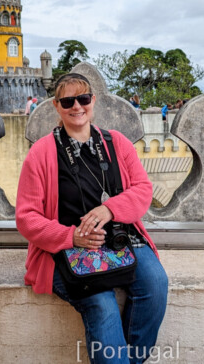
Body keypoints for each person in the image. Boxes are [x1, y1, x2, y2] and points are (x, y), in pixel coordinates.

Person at [16, 73, 167, 364]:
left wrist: (110, 209)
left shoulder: (116, 143)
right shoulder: (41, 153)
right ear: (56, 107)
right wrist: (71, 236)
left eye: (83, 98)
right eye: (68, 101)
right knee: (102, 304)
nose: (77, 106)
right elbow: (26, 217)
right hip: (67, 250)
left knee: (156, 284)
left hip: (122, 238)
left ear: (93, 101)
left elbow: (143, 189)